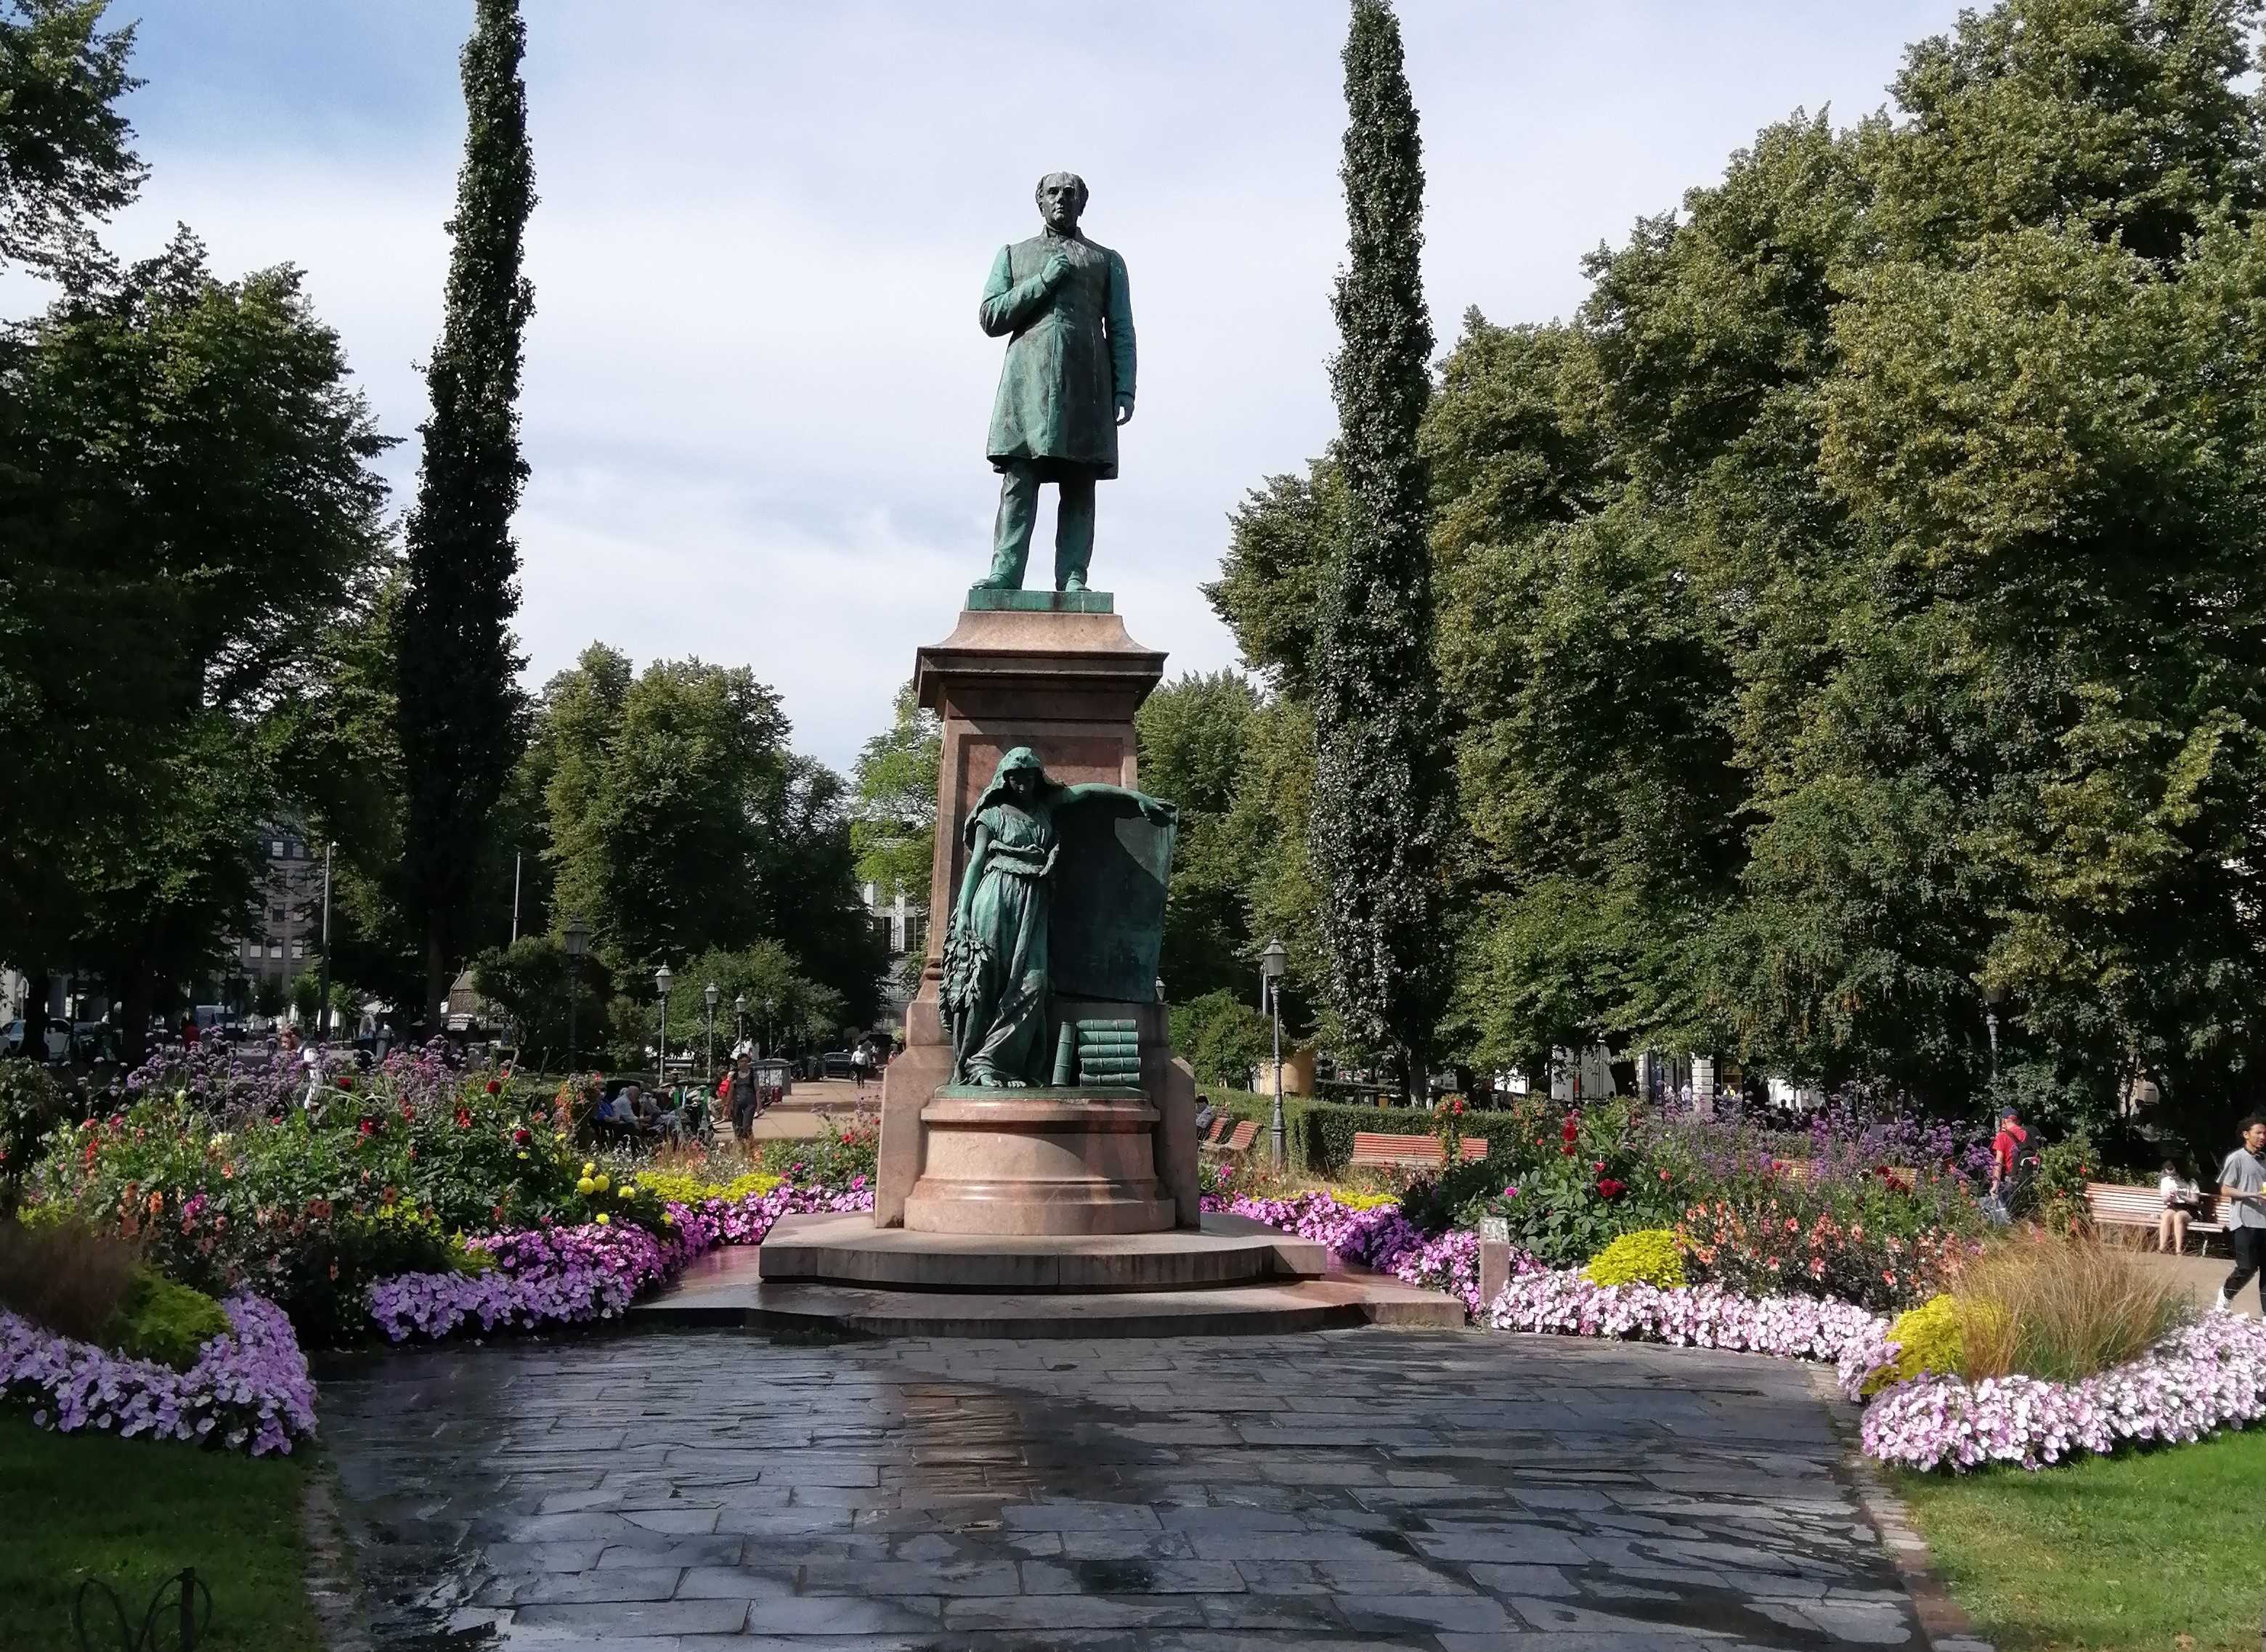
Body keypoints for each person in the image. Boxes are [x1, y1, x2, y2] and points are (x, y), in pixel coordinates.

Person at [2214, 1114, 2266, 1313]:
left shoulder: (2264, 1160)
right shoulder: (2236, 1159)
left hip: (2265, 1222)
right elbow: (2225, 1190)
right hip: (2244, 1222)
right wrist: (2251, 1194)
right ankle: (2226, 1294)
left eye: (2265, 1133)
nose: (2262, 1136)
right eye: (2258, 1133)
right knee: (2247, 1267)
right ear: (2246, 1134)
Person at [2158, 1160, 2201, 1254]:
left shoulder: (2191, 1182)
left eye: (2174, 1175)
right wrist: (2169, 1197)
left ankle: (2178, 1249)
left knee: (2178, 1217)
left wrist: (2183, 1197)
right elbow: (2165, 1200)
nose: (2172, 1177)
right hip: (2173, 1205)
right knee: (2166, 1216)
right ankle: (2162, 1247)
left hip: (2188, 1208)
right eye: (2170, 1174)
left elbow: (2195, 1201)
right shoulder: (2166, 1181)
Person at [724, 1053, 760, 1144]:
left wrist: (759, 1104)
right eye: (741, 1061)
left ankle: (752, 1146)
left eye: (746, 1061)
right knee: (738, 1127)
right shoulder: (735, 1076)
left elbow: (757, 1090)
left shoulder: (753, 1074)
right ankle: (740, 1147)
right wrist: (727, 1106)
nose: (744, 1063)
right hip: (738, 1104)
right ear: (738, 1063)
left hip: (750, 1103)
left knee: (746, 1126)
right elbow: (731, 1091)